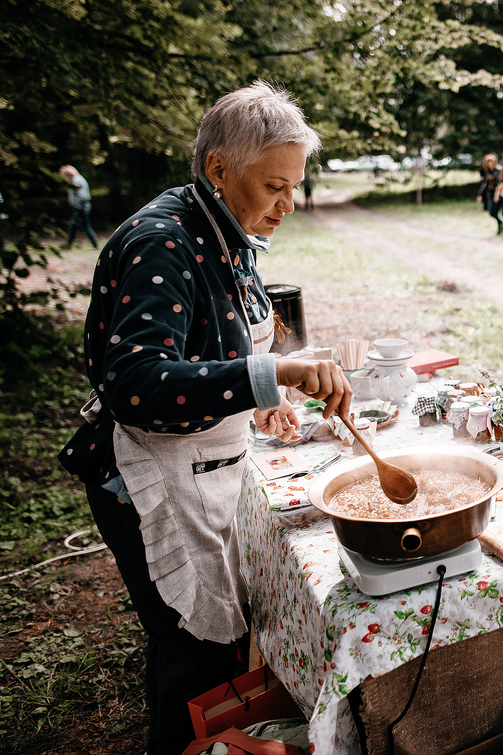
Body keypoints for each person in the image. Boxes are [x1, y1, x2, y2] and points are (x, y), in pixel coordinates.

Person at [57, 81, 352, 755]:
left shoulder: (225, 227)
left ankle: (217, 741)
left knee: (214, 647)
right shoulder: (160, 242)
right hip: (150, 476)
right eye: (274, 186)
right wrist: (272, 373)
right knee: (190, 655)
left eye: (294, 187)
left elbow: (219, 343)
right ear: (219, 168)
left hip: (206, 462)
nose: (287, 206)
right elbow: (136, 382)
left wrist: (265, 399)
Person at [60, 164, 98, 248]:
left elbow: (83, 196)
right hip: (81, 206)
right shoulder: (78, 179)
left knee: (80, 225)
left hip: (81, 207)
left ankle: (94, 244)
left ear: (68, 174)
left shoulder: (76, 180)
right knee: (76, 226)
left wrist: (76, 204)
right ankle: (70, 244)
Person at [477, 153, 503, 233]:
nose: (489, 164)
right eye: (488, 162)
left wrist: (498, 193)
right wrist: (480, 194)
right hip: (490, 193)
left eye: (491, 162)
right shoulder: (486, 172)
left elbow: (501, 182)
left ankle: (501, 225)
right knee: (491, 212)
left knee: (495, 211)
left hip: (499, 194)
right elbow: (484, 184)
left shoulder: (499, 170)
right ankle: (501, 223)